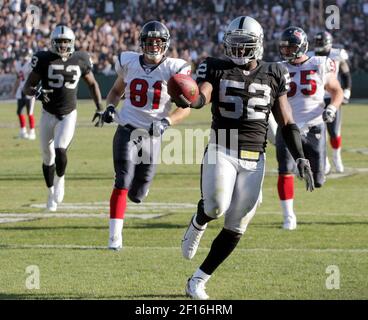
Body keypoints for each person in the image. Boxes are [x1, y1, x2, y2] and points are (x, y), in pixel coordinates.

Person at [178, 16, 314, 300]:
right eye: (234, 45)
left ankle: (198, 281)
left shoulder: (275, 72)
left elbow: (286, 121)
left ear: (257, 46)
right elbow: (203, 96)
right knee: (216, 206)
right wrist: (190, 99)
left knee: (236, 225)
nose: (238, 52)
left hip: (255, 155)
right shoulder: (215, 66)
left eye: (245, 46)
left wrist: (300, 157)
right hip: (222, 147)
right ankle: (199, 219)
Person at [101, 21, 191, 251]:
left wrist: (167, 121)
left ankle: (138, 189)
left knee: (138, 193)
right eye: (149, 42)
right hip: (127, 128)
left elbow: (186, 107)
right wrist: (110, 108)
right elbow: (115, 92)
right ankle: (114, 238)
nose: (153, 46)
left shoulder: (175, 68)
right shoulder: (130, 62)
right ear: (142, 43)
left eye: (157, 42)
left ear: (165, 44)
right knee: (121, 180)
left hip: (153, 134)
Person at [23, 25, 104, 212]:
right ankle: (50, 193)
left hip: (68, 114)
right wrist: (35, 92)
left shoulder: (81, 59)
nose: (62, 46)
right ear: (52, 42)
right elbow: (27, 86)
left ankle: (60, 179)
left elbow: (92, 84)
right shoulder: (43, 59)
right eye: (59, 42)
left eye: (66, 42)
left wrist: (100, 108)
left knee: (60, 149)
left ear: (72, 42)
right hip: (47, 113)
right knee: (47, 156)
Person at [277, 27, 344, 230]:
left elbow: (337, 91)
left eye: (291, 48)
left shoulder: (320, 63)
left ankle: (312, 163)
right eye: (284, 48)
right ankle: (289, 217)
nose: (287, 52)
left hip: (314, 125)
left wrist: (332, 107)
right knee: (284, 171)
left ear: (302, 46)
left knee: (318, 180)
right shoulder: (279, 68)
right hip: (288, 126)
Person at [312, 31, 352, 173]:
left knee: (334, 131)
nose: (318, 46)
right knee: (319, 132)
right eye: (317, 43)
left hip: (333, 96)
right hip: (316, 98)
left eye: (320, 43)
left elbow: (345, 74)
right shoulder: (310, 56)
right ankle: (325, 161)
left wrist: (346, 91)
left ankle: (336, 156)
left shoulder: (337, 54)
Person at [12, 48, 36, 140]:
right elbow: (18, 78)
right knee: (19, 111)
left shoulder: (30, 64)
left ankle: (32, 132)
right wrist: (14, 90)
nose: (24, 57)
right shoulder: (19, 64)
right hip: (21, 90)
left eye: (25, 55)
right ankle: (23, 131)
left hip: (29, 90)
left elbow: (35, 77)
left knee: (29, 112)